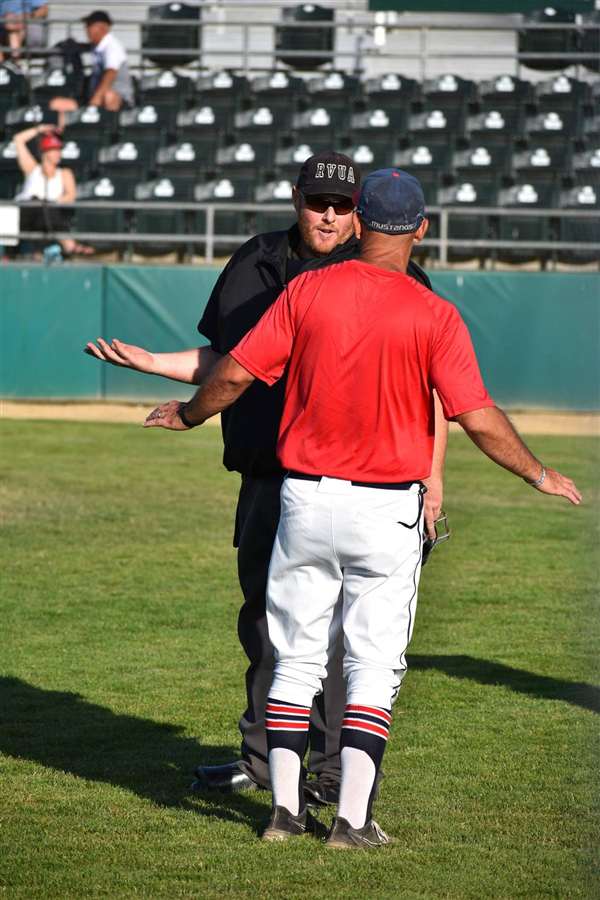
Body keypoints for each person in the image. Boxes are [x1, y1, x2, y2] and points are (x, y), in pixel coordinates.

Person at [143, 167, 581, 848]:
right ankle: (351, 821)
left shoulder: (306, 289)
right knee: (372, 665)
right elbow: (477, 416)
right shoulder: (432, 311)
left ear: (360, 221)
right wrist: (537, 473)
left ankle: (284, 813)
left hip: (305, 500)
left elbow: (232, 372)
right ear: (422, 230)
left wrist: (190, 416)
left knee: (293, 657)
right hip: (386, 510)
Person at [85, 152, 447, 805]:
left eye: (343, 206)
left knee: (348, 636)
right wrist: (152, 363)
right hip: (266, 474)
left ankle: (334, 771)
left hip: (356, 483)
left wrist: (433, 478)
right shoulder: (258, 261)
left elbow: (432, 388)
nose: (330, 216)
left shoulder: (393, 277)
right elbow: (230, 362)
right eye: (319, 203)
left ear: (362, 213)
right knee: (266, 624)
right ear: (296, 198)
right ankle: (261, 761)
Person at [14, 124, 93, 257]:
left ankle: (41, 253)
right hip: (26, 215)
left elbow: (71, 196)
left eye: (59, 150)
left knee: (46, 207)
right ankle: (69, 245)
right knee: (36, 202)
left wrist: (51, 202)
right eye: (54, 150)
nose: (58, 154)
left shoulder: (64, 173)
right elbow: (18, 139)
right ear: (45, 152)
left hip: (50, 217)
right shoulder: (32, 169)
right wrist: (40, 129)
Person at [50, 9, 133, 122]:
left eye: (89, 25)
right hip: (92, 97)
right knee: (57, 104)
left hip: (117, 98)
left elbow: (111, 73)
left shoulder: (112, 47)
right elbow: (86, 47)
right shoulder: (98, 44)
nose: (86, 29)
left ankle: (110, 134)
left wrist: (96, 98)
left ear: (102, 27)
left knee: (108, 96)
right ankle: (65, 138)